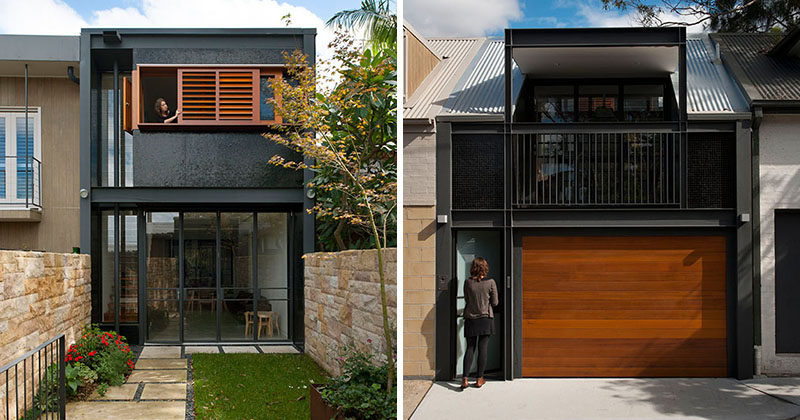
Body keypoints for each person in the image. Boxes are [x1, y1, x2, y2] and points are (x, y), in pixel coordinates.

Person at [461, 257, 498, 389]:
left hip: (471, 319)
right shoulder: (490, 282)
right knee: (483, 349)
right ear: (485, 268)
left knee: (470, 348)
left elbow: (467, 299)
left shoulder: (467, 282)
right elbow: (495, 302)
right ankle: (479, 378)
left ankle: (464, 379)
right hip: (485, 319)